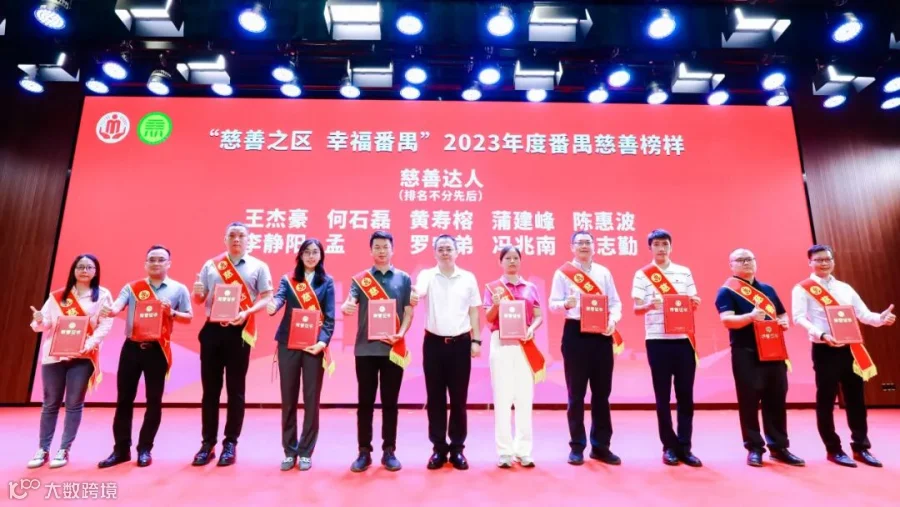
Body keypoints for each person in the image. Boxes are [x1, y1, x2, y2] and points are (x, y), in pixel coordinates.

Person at [792, 245, 896, 468]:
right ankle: (833, 449)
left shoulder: (845, 288)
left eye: (827, 259)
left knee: (856, 399)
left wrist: (881, 319)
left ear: (833, 261)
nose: (824, 263)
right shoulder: (803, 288)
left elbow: (863, 314)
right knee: (826, 400)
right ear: (810, 262)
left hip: (851, 349)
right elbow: (798, 317)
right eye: (818, 260)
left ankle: (861, 447)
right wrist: (821, 334)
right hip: (825, 349)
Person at [97, 245, 193, 469]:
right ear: (145, 263)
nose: (156, 263)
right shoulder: (132, 288)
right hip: (131, 348)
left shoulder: (178, 289)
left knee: (154, 401)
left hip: (157, 349)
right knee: (124, 400)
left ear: (169, 263)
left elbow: (188, 317)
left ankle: (145, 449)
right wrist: (109, 311)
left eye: (161, 260)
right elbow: (116, 307)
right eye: (152, 259)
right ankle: (121, 450)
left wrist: (172, 313)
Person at [191, 221, 273, 467]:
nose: (236, 239)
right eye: (232, 235)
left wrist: (248, 312)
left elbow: (267, 296)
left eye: (241, 236)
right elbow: (199, 299)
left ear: (249, 240)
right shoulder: (211, 265)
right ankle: (207, 443)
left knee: (236, 390)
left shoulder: (259, 266)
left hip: (240, 332)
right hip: (212, 331)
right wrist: (197, 292)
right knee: (210, 390)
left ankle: (230, 443)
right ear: (225, 239)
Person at [715, 248, 805, 467]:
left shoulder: (767, 289)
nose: (746, 263)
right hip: (746, 353)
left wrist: (784, 322)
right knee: (749, 401)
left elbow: (782, 313)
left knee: (776, 399)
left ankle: (779, 447)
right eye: (741, 260)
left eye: (750, 259)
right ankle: (754, 448)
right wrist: (751, 317)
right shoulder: (727, 291)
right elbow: (727, 320)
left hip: (773, 351)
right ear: (731, 265)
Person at [27, 254, 113, 469]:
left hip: (83, 356)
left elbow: (105, 324)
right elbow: (43, 325)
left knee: (74, 404)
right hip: (53, 355)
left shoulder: (102, 295)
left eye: (89, 267)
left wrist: (89, 344)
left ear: (96, 271)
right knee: (50, 403)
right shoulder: (57, 296)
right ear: (73, 270)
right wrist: (38, 320)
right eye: (80, 266)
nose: (84, 270)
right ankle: (43, 449)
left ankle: (64, 449)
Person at [549, 231, 623, 466]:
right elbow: (552, 304)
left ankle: (601, 447)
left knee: (602, 394)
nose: (584, 246)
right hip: (575, 334)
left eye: (587, 242)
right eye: (579, 243)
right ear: (572, 247)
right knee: (576, 394)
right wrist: (565, 303)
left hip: (601, 335)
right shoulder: (563, 273)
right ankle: (577, 446)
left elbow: (615, 302)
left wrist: (613, 321)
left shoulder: (604, 272)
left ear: (594, 246)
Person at [342, 231, 413, 473]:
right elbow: (350, 301)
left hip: (393, 350)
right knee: (365, 403)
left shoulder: (404, 278)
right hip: (365, 350)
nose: (382, 251)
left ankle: (389, 450)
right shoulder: (361, 279)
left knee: (390, 403)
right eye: (377, 247)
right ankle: (364, 451)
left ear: (393, 249)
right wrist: (347, 306)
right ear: (370, 250)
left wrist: (400, 333)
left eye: (385, 247)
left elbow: (408, 312)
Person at [631, 229, 702, 467]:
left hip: (683, 340)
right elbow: (636, 308)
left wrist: (694, 303)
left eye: (665, 244)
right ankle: (669, 447)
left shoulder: (684, 272)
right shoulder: (643, 274)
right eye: (657, 244)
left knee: (686, 396)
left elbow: (693, 301)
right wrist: (650, 305)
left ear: (671, 247)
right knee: (662, 396)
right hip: (657, 340)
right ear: (650, 247)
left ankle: (685, 447)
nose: (661, 248)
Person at [414, 234, 482, 471]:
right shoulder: (427, 275)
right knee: (435, 399)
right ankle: (438, 449)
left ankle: (457, 449)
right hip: (433, 344)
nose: (445, 253)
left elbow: (474, 311)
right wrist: (412, 294)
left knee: (459, 399)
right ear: (435, 253)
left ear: (457, 252)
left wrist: (476, 340)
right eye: (441, 249)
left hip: (461, 344)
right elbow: (418, 292)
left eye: (449, 249)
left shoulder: (468, 278)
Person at [267, 238, 335, 472]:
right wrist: (273, 305)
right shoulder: (288, 279)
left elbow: (330, 317)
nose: (311, 256)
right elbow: (279, 297)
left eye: (315, 252)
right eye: (307, 252)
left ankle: (305, 451)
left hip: (313, 346)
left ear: (321, 255)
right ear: (300, 255)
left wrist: (322, 343)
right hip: (288, 344)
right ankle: (289, 451)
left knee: (311, 399)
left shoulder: (327, 282)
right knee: (288, 399)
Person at [483, 245, 544, 469]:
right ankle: (505, 452)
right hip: (501, 342)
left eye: (515, 258)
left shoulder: (530, 288)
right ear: (500, 262)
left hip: (524, 343)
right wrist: (496, 304)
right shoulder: (493, 288)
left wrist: (532, 329)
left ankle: (523, 450)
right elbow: (488, 317)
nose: (511, 261)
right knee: (502, 397)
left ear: (520, 261)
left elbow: (538, 316)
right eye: (507, 258)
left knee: (524, 397)